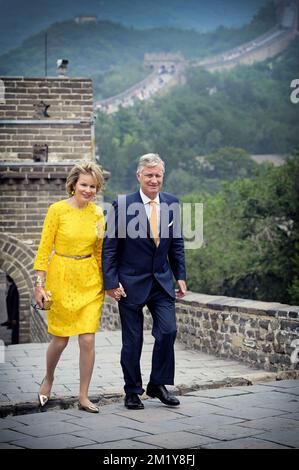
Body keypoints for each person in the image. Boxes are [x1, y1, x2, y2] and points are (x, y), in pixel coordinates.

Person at [102, 153, 186, 410]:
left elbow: (177, 243)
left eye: (158, 175)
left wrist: (180, 275)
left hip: (161, 282)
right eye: (149, 175)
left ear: (163, 176)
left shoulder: (172, 203)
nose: (154, 179)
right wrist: (111, 282)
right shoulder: (121, 204)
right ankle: (132, 391)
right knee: (133, 340)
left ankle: (157, 384)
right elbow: (110, 248)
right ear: (139, 176)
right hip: (129, 283)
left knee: (168, 330)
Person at [33, 161, 105, 413]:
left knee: (87, 339)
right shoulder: (57, 210)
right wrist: (39, 286)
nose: (88, 190)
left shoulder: (97, 214)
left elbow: (99, 252)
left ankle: (83, 396)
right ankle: (49, 378)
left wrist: (108, 284)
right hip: (60, 279)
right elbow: (44, 250)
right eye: (84, 185)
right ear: (73, 184)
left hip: (89, 281)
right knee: (61, 341)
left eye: (93, 186)